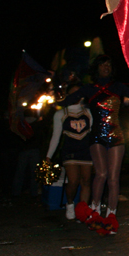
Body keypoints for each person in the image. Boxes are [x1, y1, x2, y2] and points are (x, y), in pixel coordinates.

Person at [64, 55, 129, 232]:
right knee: (101, 174)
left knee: (113, 177)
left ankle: (111, 215)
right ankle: (95, 211)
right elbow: (66, 101)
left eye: (108, 65)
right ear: (96, 68)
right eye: (103, 65)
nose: (106, 67)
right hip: (96, 136)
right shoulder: (89, 89)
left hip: (116, 136)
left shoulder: (118, 86)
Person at [45, 84, 93, 220]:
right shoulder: (61, 114)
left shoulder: (88, 112)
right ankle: (70, 203)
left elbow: (93, 132)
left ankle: (82, 210)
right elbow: (56, 136)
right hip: (70, 151)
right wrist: (49, 155)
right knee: (73, 180)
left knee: (87, 181)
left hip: (86, 150)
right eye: (72, 94)